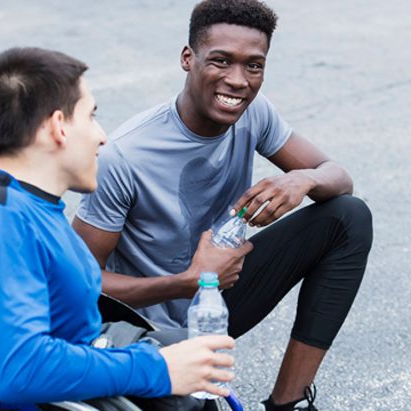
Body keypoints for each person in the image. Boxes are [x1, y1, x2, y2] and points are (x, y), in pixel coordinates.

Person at [72, 1, 373, 410]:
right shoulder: (124, 157)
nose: (238, 81)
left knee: (347, 217)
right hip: (148, 326)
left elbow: (339, 176)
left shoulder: (255, 115)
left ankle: (290, 403)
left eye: (254, 66)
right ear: (187, 58)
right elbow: (79, 283)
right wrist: (189, 281)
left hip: (215, 299)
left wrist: (303, 179)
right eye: (221, 61)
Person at [0, 46, 235, 407]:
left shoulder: (32, 206)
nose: (102, 136)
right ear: (58, 127)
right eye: (91, 116)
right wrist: (157, 369)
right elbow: (22, 369)